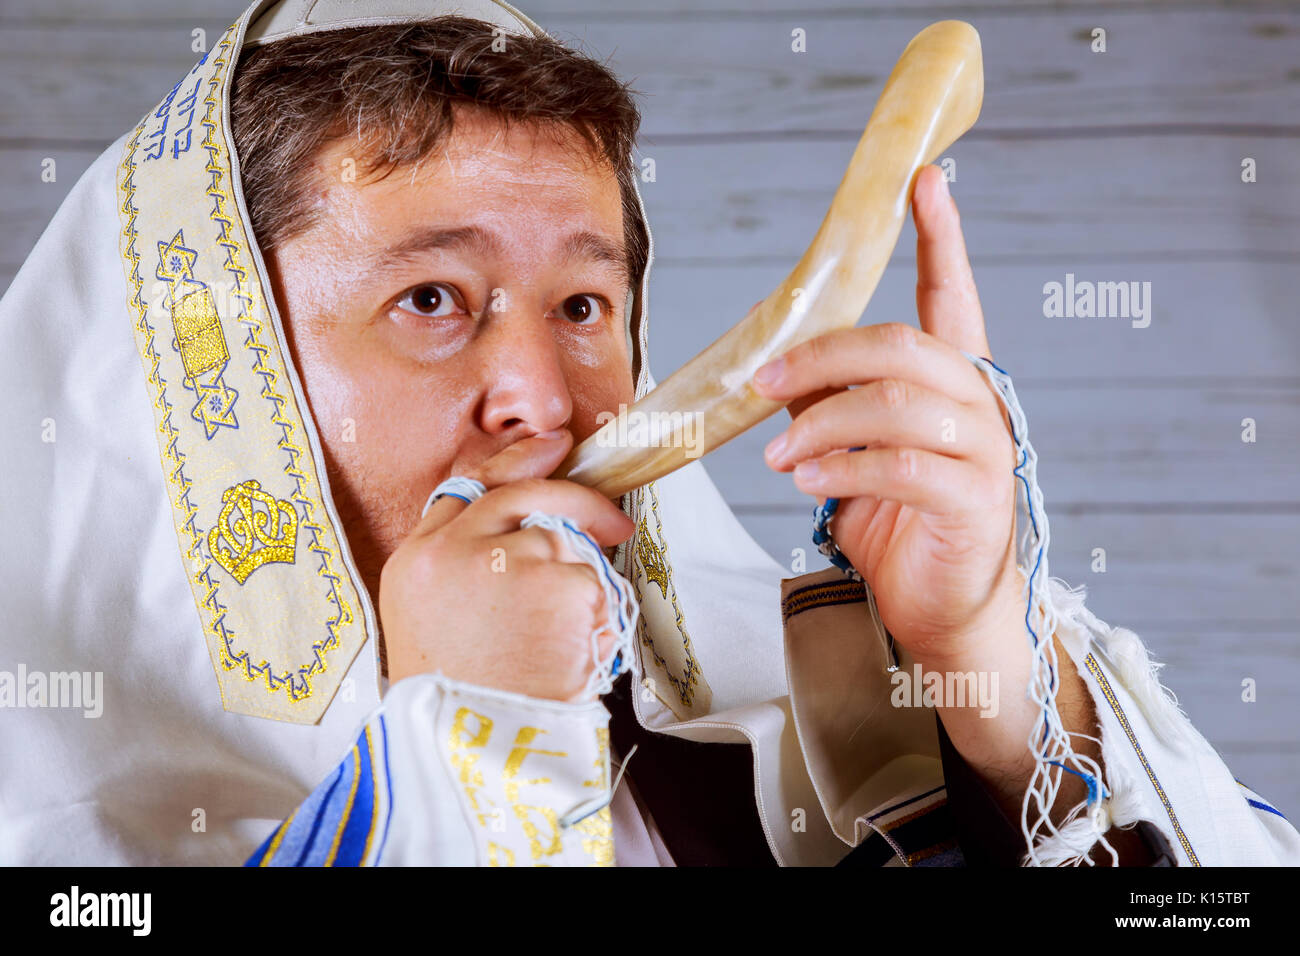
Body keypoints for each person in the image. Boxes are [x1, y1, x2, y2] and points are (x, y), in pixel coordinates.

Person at [1, 0, 1295, 867]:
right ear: (207, 387)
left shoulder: (739, 766)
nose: (546, 398)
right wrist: (467, 748)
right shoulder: (68, 845)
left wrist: (989, 671)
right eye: (432, 299)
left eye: (582, 303)